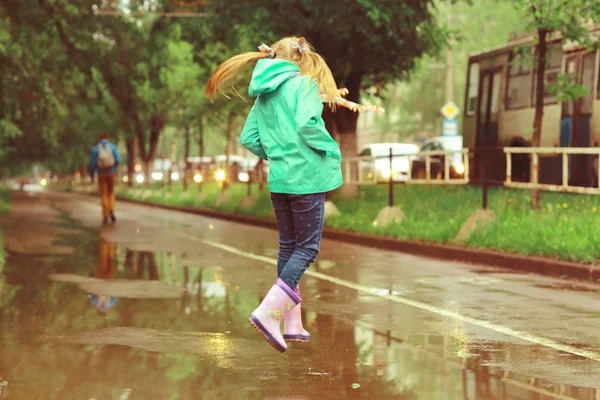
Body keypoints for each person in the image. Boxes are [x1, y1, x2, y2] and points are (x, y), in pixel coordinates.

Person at [206, 36, 343, 353]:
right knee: (307, 249)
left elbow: (249, 137)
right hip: (306, 178)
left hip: (280, 179)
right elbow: (309, 123)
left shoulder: (264, 94)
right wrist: (331, 149)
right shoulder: (304, 85)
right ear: (298, 59)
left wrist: (279, 154)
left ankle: (292, 323)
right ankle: (269, 313)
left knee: (289, 246)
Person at [89, 133, 121, 225]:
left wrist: (92, 174)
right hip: (111, 172)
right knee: (111, 192)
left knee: (103, 194)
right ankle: (111, 210)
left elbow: (92, 164)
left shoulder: (96, 149)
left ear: (100, 139)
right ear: (108, 139)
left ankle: (105, 214)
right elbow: (118, 160)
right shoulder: (113, 148)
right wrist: (114, 170)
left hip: (101, 173)